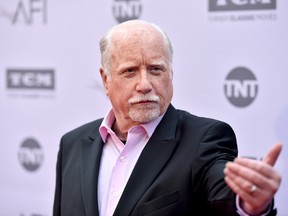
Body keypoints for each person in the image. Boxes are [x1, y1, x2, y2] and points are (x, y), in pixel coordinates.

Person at [53, 20, 282, 216]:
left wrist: (249, 204)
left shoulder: (205, 139)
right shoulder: (72, 144)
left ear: (170, 73)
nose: (144, 85)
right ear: (106, 80)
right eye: (130, 71)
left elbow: (224, 195)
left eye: (155, 69)